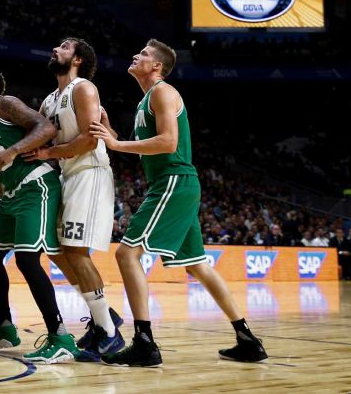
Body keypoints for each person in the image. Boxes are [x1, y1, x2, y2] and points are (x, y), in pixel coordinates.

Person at [90, 39, 267, 366]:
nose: (135, 55)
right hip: (176, 185)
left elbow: (169, 142)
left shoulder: (162, 92)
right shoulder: (147, 99)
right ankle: (248, 339)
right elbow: (148, 145)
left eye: (142, 53)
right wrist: (113, 134)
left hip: (174, 181)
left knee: (127, 254)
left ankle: (144, 342)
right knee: (198, 266)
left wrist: (115, 143)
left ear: (156, 66)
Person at [0, 65, 78, 363]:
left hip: (36, 185)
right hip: (10, 196)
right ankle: (4, 328)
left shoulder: (4, 103)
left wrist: (13, 150)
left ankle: (60, 336)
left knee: (27, 260)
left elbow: (46, 128)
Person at [27, 38, 123, 360]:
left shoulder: (84, 89)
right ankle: (103, 316)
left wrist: (48, 152)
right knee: (56, 250)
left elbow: (87, 139)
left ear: (78, 58)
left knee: (76, 251)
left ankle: (109, 333)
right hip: (67, 174)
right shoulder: (50, 100)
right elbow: (36, 133)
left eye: (64, 47)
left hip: (89, 171)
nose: (56, 49)